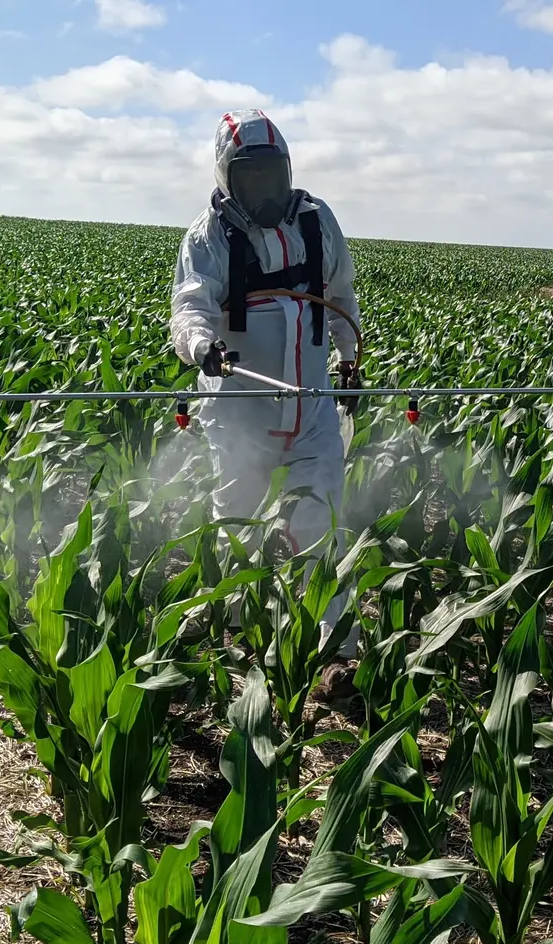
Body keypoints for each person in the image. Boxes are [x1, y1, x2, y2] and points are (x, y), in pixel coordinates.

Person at [170, 109, 361, 694]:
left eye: (273, 175)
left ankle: (333, 657)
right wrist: (202, 347)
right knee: (239, 523)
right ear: (230, 178)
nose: (266, 190)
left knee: (322, 525)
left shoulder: (316, 220)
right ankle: (232, 637)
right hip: (239, 410)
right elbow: (189, 308)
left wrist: (349, 358)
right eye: (252, 178)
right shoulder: (210, 235)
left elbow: (341, 295)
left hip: (311, 408)